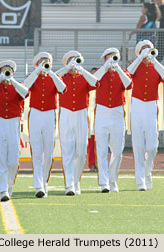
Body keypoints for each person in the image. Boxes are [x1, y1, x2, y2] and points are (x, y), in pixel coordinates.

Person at [0, 60, 29, 201]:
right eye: (3, 70)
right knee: (0, 157)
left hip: (14, 123)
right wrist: (0, 78)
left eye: (8, 70)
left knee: (13, 160)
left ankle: (9, 186)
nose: (6, 73)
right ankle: (3, 189)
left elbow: (25, 93)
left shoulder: (18, 85)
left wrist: (11, 80)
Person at [23, 52, 66, 198]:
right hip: (35, 114)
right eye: (41, 61)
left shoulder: (54, 77)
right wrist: (37, 71)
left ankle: (44, 181)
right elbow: (24, 88)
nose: (44, 63)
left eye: (47, 61)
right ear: (36, 64)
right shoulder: (33, 77)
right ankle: (38, 185)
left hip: (49, 115)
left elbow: (62, 89)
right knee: (36, 152)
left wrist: (51, 73)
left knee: (48, 153)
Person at [56, 51, 99, 195]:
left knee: (81, 151)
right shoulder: (61, 76)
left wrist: (81, 69)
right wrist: (67, 68)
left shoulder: (84, 77)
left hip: (81, 114)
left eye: (76, 60)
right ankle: (69, 184)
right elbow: (52, 78)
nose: (74, 63)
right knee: (67, 150)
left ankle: (76, 180)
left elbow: (95, 83)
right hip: (66, 114)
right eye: (70, 61)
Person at [93, 48, 132, 193]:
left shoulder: (123, 73)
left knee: (118, 150)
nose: (112, 60)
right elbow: (93, 81)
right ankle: (104, 182)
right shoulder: (99, 72)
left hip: (116, 112)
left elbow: (128, 84)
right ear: (104, 60)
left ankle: (112, 179)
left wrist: (118, 69)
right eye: (109, 58)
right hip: (102, 112)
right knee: (102, 149)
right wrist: (105, 67)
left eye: (114, 58)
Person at [127, 40, 164, 191]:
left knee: (152, 145)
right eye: (144, 49)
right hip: (137, 105)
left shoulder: (156, 66)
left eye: (149, 49)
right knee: (138, 144)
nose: (147, 51)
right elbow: (129, 72)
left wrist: (154, 59)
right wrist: (140, 57)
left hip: (150, 105)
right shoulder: (135, 65)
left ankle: (147, 171)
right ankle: (140, 180)